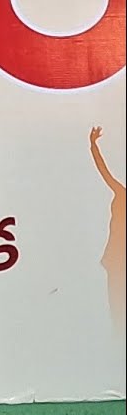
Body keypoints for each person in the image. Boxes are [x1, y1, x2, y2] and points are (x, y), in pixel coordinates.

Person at [89, 126, 124, 335]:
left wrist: (93, 146)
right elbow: (104, 171)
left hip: (118, 259)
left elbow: (104, 172)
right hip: (116, 258)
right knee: (116, 305)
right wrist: (93, 146)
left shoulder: (121, 193)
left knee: (117, 304)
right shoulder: (122, 193)